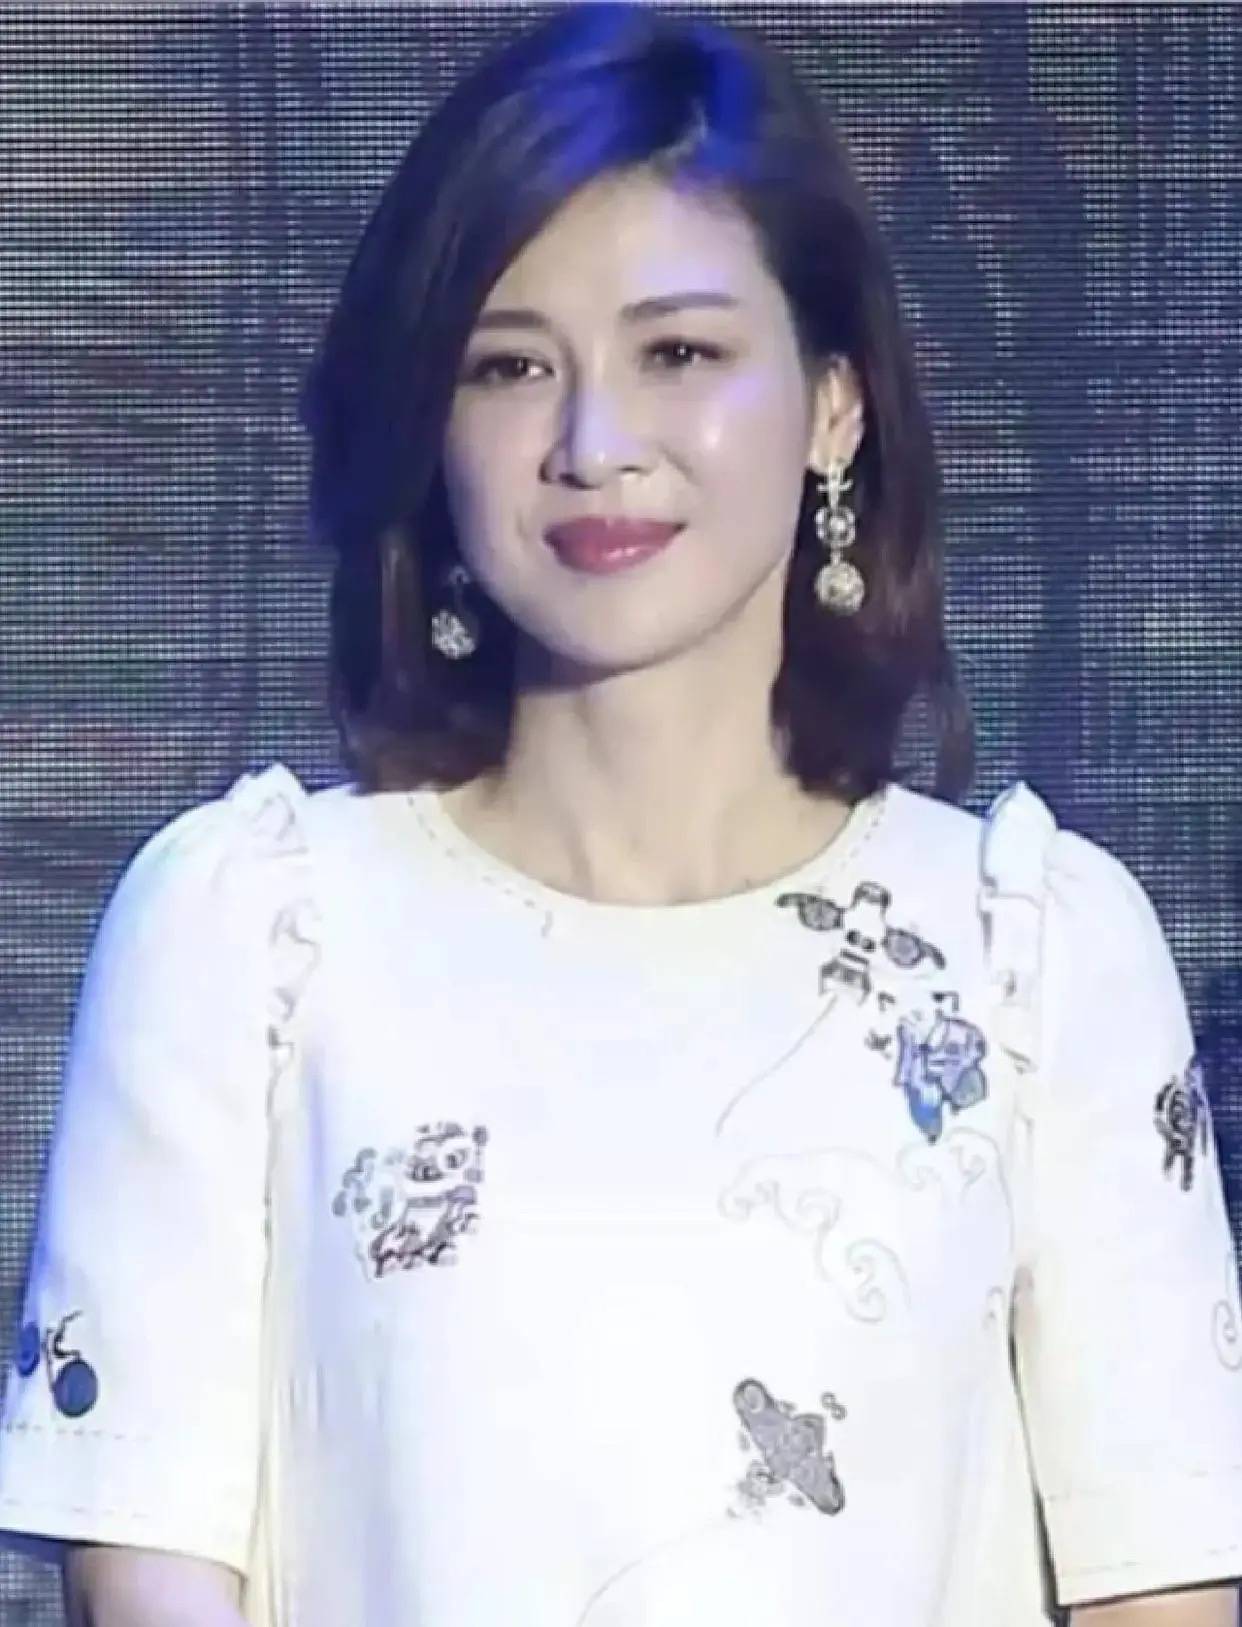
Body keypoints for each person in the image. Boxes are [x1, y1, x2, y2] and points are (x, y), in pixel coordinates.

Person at [2, 5, 1241, 1624]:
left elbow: (1161, 1584)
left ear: (833, 408)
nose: (593, 446)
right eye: (510, 367)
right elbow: (149, 1566)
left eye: (679, 354)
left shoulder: (1032, 954)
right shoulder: (251, 935)